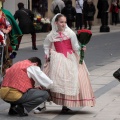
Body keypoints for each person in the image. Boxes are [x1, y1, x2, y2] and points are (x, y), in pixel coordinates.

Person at [42, 13, 95, 113]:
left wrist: (81, 49)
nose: (63, 24)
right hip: (57, 59)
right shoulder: (51, 35)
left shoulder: (70, 33)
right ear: (56, 22)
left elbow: (75, 46)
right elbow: (46, 46)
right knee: (53, 80)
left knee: (73, 79)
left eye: (65, 22)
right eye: (61, 22)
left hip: (70, 58)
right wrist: (47, 54)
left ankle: (65, 105)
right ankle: (44, 104)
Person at [0, 0, 22, 75]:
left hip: (3, 38)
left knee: (6, 56)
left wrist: (6, 30)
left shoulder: (5, 13)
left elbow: (9, 25)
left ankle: (6, 74)